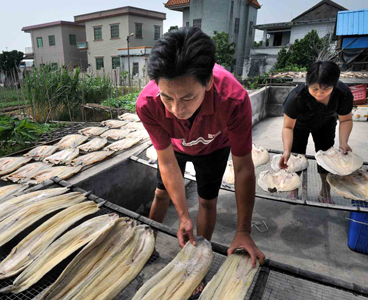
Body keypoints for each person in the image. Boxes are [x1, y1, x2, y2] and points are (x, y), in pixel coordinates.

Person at [137, 27, 265, 282]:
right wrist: (183, 216)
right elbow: (166, 161)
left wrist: (243, 230)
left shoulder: (234, 100)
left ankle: (198, 258)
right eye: (167, 98)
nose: (176, 109)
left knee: (208, 201)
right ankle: (146, 242)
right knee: (161, 194)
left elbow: (242, 168)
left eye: (187, 97)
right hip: (176, 147)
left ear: (207, 82)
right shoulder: (148, 105)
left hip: (214, 147)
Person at [279, 61, 354, 203]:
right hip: (299, 125)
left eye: (325, 89)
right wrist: (286, 150)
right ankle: (293, 188)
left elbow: (346, 120)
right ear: (307, 83)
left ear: (335, 84)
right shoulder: (296, 96)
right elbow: (288, 127)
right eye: (314, 89)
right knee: (295, 155)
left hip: (326, 122)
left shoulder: (342, 93)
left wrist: (344, 142)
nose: (320, 94)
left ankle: (325, 191)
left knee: (326, 155)